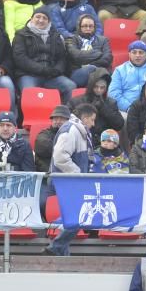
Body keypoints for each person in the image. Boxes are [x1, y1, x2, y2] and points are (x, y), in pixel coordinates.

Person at [45, 104, 98, 256]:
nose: (93, 124)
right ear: (85, 118)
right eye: (92, 120)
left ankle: (61, 254)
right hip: (68, 182)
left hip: (70, 182)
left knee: (73, 217)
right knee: (77, 217)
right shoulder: (71, 130)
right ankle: (56, 247)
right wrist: (78, 174)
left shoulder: (77, 131)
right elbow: (60, 157)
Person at [11, 9, 75, 102]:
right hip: (29, 74)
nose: (41, 20)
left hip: (51, 76)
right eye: (38, 17)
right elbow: (20, 58)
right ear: (31, 19)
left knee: (70, 86)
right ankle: (29, 116)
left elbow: (62, 57)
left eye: (44, 18)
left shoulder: (56, 36)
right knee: (29, 91)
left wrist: (57, 70)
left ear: (49, 22)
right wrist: (42, 69)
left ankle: (64, 114)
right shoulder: (21, 35)